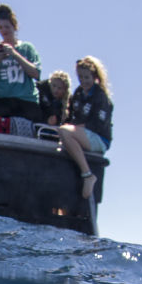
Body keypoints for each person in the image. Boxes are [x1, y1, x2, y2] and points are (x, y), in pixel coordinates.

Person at [57, 56, 114, 199]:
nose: (83, 80)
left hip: (99, 138)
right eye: (80, 77)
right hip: (81, 134)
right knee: (61, 138)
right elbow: (71, 118)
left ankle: (87, 175)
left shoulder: (101, 97)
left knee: (64, 131)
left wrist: (71, 129)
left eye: (87, 77)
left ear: (95, 76)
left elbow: (97, 124)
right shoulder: (78, 93)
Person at [0, 3, 42, 123]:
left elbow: (36, 74)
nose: (3, 30)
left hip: (26, 101)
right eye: (0, 27)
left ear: (14, 26)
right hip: (2, 101)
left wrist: (15, 54)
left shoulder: (27, 48)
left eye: (7, 27)